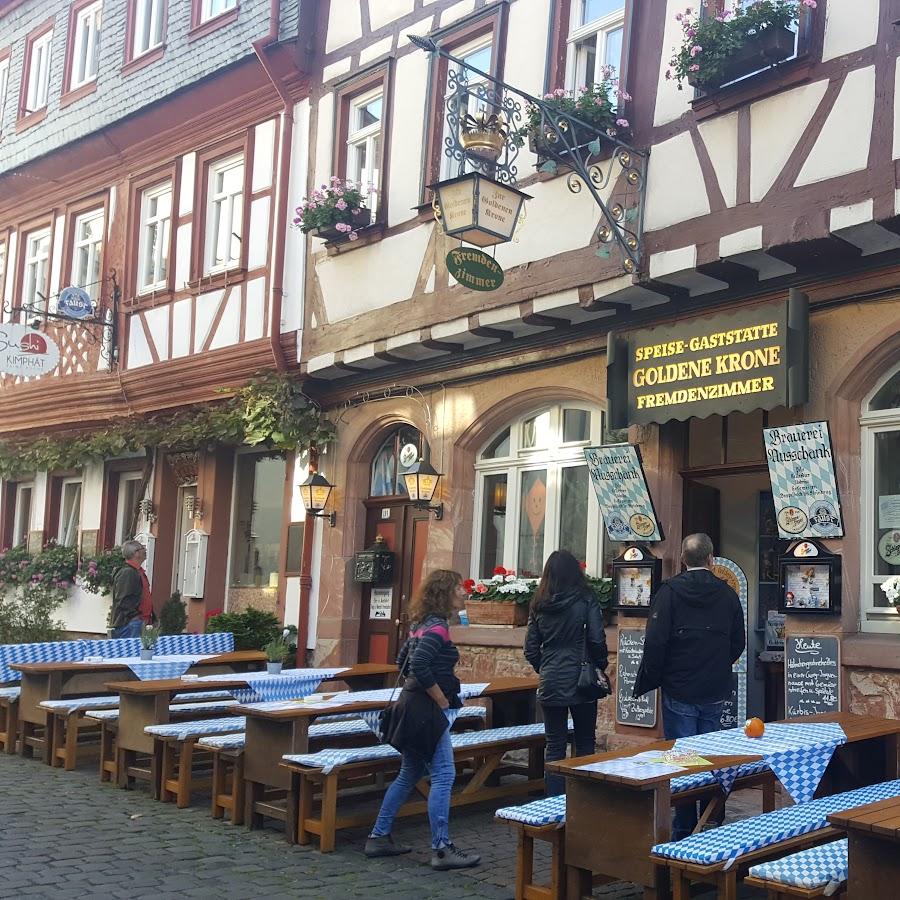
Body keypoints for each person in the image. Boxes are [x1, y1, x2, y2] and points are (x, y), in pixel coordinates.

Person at [365, 569, 481, 871]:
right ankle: (441, 849)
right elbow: (417, 663)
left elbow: (401, 660)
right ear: (445, 592)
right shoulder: (438, 627)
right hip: (425, 711)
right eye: (459, 588)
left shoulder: (420, 625)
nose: (464, 592)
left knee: (409, 773)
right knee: (444, 775)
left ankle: (379, 836)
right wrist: (442, 699)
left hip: (412, 705)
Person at [633, 533, 746, 839]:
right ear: (711, 559)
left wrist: (656, 677)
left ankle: (684, 829)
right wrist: (718, 665)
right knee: (709, 756)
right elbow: (738, 642)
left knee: (683, 759)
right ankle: (708, 824)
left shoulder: (669, 592)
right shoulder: (727, 595)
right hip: (713, 687)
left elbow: (655, 642)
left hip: (679, 686)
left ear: (683, 560)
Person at [524, 549, 609, 796]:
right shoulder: (585, 599)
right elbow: (596, 639)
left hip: (551, 679)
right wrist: (599, 666)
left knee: (554, 746)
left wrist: (546, 667)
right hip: (582, 679)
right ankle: (583, 801)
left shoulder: (539, 603)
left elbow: (530, 649)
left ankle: (554, 805)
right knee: (584, 743)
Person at [110, 541, 154, 639]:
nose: (145, 550)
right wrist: (135, 617)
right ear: (136, 553)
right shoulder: (127, 573)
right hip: (129, 624)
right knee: (130, 654)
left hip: (137, 623)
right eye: (143, 548)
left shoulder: (137, 572)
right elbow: (123, 599)